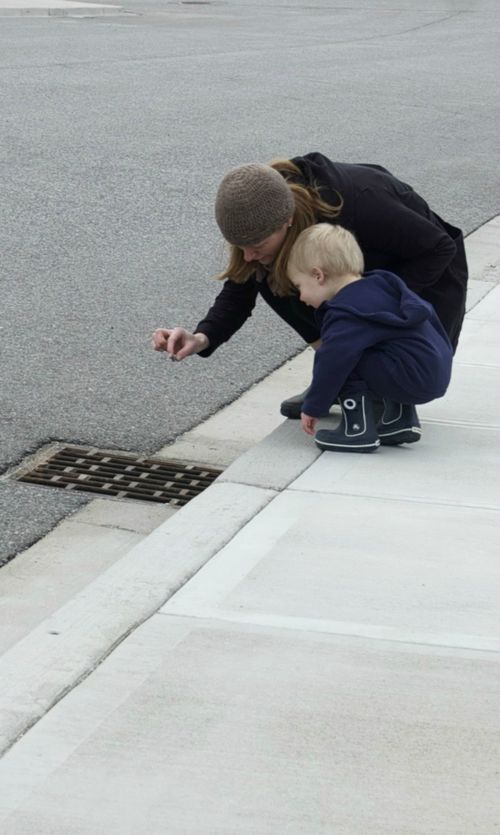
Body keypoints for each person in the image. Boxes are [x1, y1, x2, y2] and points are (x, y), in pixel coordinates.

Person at [152, 152, 467, 418]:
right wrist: (202, 337)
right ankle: (335, 377)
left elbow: (438, 248)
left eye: (256, 242)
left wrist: (378, 302)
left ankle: (366, 384)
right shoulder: (260, 221)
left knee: (337, 299)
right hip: (366, 280)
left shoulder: (358, 202)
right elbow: (240, 287)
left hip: (430, 282)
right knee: (270, 273)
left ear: (287, 220)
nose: (247, 254)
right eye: (240, 245)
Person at [287, 223, 453, 452]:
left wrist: (314, 406)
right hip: (436, 371)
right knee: (388, 349)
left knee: (345, 358)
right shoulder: (383, 284)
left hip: (413, 376)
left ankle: (357, 431)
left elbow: (332, 361)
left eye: (299, 286)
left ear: (318, 275)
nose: (302, 297)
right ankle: (400, 420)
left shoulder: (346, 311)